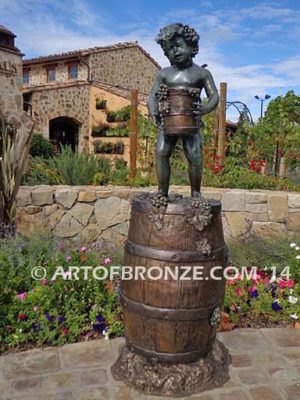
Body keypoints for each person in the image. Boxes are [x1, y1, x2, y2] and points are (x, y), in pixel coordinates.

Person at [148, 23, 219, 199]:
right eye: (170, 49)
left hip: (191, 121)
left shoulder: (202, 74)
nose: (175, 51)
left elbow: (215, 96)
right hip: (168, 120)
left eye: (178, 46)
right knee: (161, 153)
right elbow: (151, 96)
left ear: (191, 46)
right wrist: (154, 111)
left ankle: (196, 192)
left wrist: (205, 109)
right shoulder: (164, 74)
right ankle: (162, 193)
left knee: (194, 156)